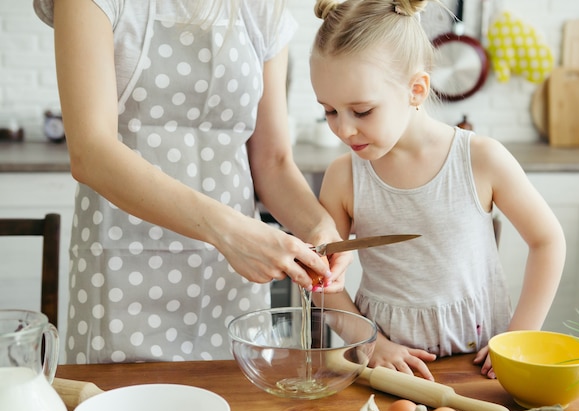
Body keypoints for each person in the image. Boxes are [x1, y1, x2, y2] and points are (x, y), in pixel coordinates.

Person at [32, 0, 350, 364]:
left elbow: (273, 161)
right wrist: (229, 232)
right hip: (121, 275)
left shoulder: (262, 7)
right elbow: (91, 152)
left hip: (233, 280)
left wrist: (319, 225)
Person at [309, 0, 566, 380]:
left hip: (479, 361)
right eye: (329, 111)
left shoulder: (480, 159)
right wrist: (370, 343)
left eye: (361, 111)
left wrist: (517, 338)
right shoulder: (344, 175)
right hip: (386, 364)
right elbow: (321, 278)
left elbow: (548, 240)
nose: (343, 130)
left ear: (416, 89)